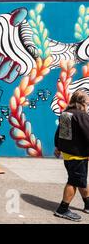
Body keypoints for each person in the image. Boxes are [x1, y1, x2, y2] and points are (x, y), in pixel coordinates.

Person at [54, 90, 89, 222]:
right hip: (78, 155)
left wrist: (57, 147)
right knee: (74, 181)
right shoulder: (81, 115)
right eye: (87, 102)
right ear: (82, 102)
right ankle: (62, 209)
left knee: (80, 180)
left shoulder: (66, 114)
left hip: (68, 155)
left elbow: (60, 133)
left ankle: (88, 203)